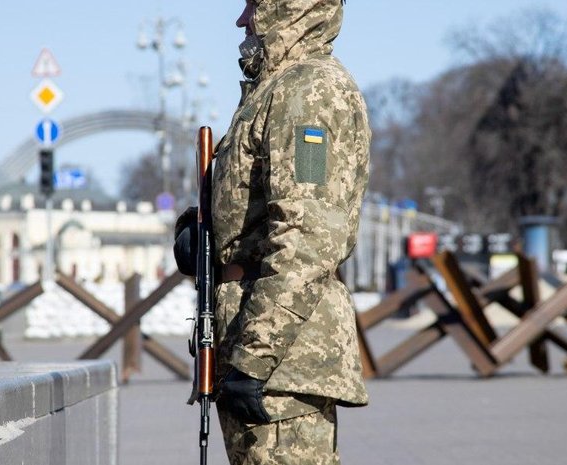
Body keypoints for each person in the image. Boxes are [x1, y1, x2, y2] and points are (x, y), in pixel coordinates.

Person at [176, 0, 369, 463]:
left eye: (253, 5)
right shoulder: (275, 89)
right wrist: (202, 236)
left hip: (279, 362)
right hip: (255, 345)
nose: (242, 20)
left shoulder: (309, 91)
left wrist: (255, 357)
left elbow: (307, 237)